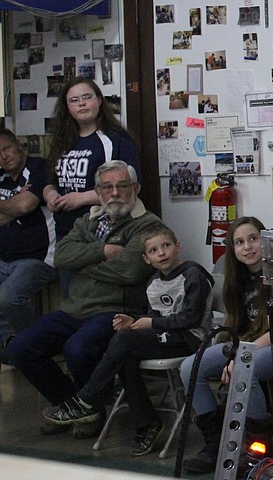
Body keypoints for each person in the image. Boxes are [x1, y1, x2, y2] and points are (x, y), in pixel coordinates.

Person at [7, 161, 159, 439]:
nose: (114, 193)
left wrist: (83, 262)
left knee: (77, 348)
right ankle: (72, 405)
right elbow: (62, 257)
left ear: (135, 189)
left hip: (116, 310)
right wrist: (103, 250)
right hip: (73, 309)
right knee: (19, 349)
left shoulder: (147, 225)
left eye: (122, 186)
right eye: (107, 187)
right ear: (98, 192)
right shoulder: (87, 220)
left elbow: (130, 271)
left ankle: (89, 407)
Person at [41, 228, 213, 456]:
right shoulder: (153, 283)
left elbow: (189, 318)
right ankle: (146, 423)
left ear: (177, 247)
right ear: (146, 259)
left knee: (124, 341)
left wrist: (147, 324)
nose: (161, 253)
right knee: (126, 353)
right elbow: (157, 317)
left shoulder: (193, 274)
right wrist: (136, 320)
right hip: (167, 337)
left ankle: (86, 399)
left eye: (166, 246)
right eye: (153, 250)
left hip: (191, 339)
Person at [180, 216, 273, 474]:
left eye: (253, 239)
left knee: (246, 370)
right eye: (240, 242)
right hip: (244, 344)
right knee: (190, 368)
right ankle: (214, 445)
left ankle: (260, 450)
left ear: (265, 240)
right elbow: (236, 326)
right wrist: (235, 351)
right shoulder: (235, 279)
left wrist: (241, 357)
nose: (248, 247)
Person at [43, 78, 141, 296]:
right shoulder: (62, 141)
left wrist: (81, 198)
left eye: (87, 97)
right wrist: (50, 194)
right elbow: (50, 181)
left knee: (99, 297)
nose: (82, 104)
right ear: (68, 108)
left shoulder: (116, 139)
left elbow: (130, 187)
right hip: (66, 233)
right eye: (74, 100)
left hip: (102, 229)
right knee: (71, 298)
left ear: (98, 101)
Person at [0, 126, 58, 354]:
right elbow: (20, 206)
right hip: (4, 259)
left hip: (38, 258)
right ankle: (9, 342)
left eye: (6, 149)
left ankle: (36, 347)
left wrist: (20, 204)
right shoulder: (2, 177)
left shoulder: (39, 168)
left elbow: (26, 205)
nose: (3, 157)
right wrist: (16, 201)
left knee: (8, 297)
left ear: (18, 146)